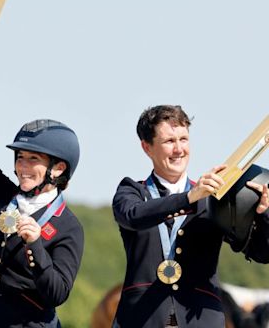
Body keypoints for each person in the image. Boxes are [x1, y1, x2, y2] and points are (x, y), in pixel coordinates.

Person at [0, 51, 84, 328]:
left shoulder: (68, 226)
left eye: (33, 159)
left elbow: (57, 292)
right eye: (20, 158)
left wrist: (36, 244)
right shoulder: (5, 196)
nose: (22, 166)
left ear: (58, 169)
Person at [112, 105, 269, 328]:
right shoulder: (132, 191)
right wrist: (189, 198)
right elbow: (132, 216)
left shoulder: (214, 198)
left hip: (200, 320)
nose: (179, 149)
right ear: (147, 147)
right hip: (141, 319)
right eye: (169, 141)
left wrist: (264, 216)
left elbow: (261, 253)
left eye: (183, 139)